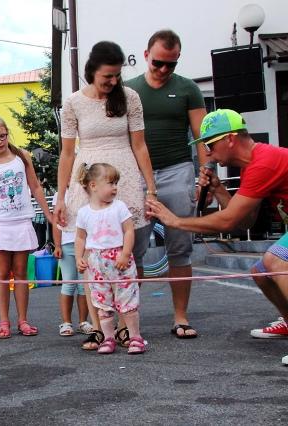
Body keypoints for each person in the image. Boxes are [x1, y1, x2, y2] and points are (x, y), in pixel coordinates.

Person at [147, 109, 288, 365]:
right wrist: (220, 190)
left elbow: (228, 221)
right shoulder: (251, 166)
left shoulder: (264, 162)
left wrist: (175, 221)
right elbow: (245, 221)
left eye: (209, 145)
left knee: (276, 261)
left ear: (230, 139)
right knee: (260, 271)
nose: (208, 153)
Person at [53, 41, 156, 350]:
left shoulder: (130, 98)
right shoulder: (73, 103)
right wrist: (61, 196)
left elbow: (140, 145)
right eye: (106, 76)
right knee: (91, 255)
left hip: (124, 176)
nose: (113, 81)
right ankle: (100, 328)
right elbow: (67, 153)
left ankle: (127, 327)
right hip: (88, 180)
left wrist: (150, 188)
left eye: (116, 76)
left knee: (129, 252)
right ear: (92, 72)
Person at [125, 29, 208, 339]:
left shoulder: (188, 89)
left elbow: (200, 136)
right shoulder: (129, 90)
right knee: (132, 249)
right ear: (146, 55)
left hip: (177, 171)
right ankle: (129, 323)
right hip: (136, 176)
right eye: (158, 63)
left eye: (171, 64)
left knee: (180, 248)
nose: (163, 70)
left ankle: (181, 317)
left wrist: (204, 173)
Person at [0, 116, 53, 338]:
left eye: (2, 136)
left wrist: (48, 214)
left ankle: (23, 320)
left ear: (7, 133)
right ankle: (4, 322)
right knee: (2, 273)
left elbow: (35, 187)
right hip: (0, 225)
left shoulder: (22, 157)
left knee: (21, 272)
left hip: (21, 222)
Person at [74, 163, 146, 354]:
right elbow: (80, 237)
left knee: (127, 301)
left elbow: (129, 230)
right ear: (93, 186)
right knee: (102, 303)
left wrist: (125, 253)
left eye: (116, 183)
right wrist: (79, 258)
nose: (115, 187)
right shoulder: (84, 212)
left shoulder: (119, 207)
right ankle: (108, 338)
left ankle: (135, 337)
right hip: (96, 263)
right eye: (110, 183)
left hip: (119, 260)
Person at [53, 224, 92, 336]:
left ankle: (83, 322)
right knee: (68, 283)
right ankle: (66, 323)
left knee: (83, 285)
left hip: (86, 244)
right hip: (66, 244)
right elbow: (56, 222)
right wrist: (57, 245)